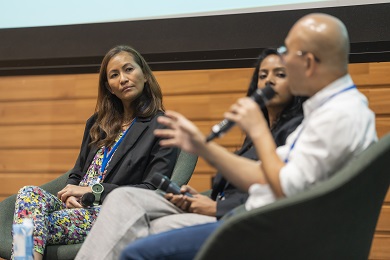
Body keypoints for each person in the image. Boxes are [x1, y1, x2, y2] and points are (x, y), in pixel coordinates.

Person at [119, 13, 378, 259]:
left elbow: (286, 187)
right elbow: (266, 173)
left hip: (269, 232)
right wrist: (202, 146)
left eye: (286, 53)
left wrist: (258, 129)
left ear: (308, 63)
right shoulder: (331, 110)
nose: (283, 60)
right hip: (258, 220)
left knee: (136, 251)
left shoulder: (338, 116)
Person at [75, 48, 306, 260]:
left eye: (280, 74)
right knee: (134, 216)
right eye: (263, 75)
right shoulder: (261, 131)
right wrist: (202, 199)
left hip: (244, 217)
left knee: (137, 217)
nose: (269, 81)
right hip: (221, 207)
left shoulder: (296, 131)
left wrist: (216, 208)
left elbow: (281, 190)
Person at [11, 45, 178, 260]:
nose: (123, 79)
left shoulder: (162, 126)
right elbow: (77, 172)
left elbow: (151, 189)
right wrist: (70, 194)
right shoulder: (98, 123)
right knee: (28, 193)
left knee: (27, 224)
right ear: (109, 87)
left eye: (129, 70)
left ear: (144, 75)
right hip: (74, 205)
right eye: (114, 75)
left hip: (109, 211)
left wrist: (94, 192)